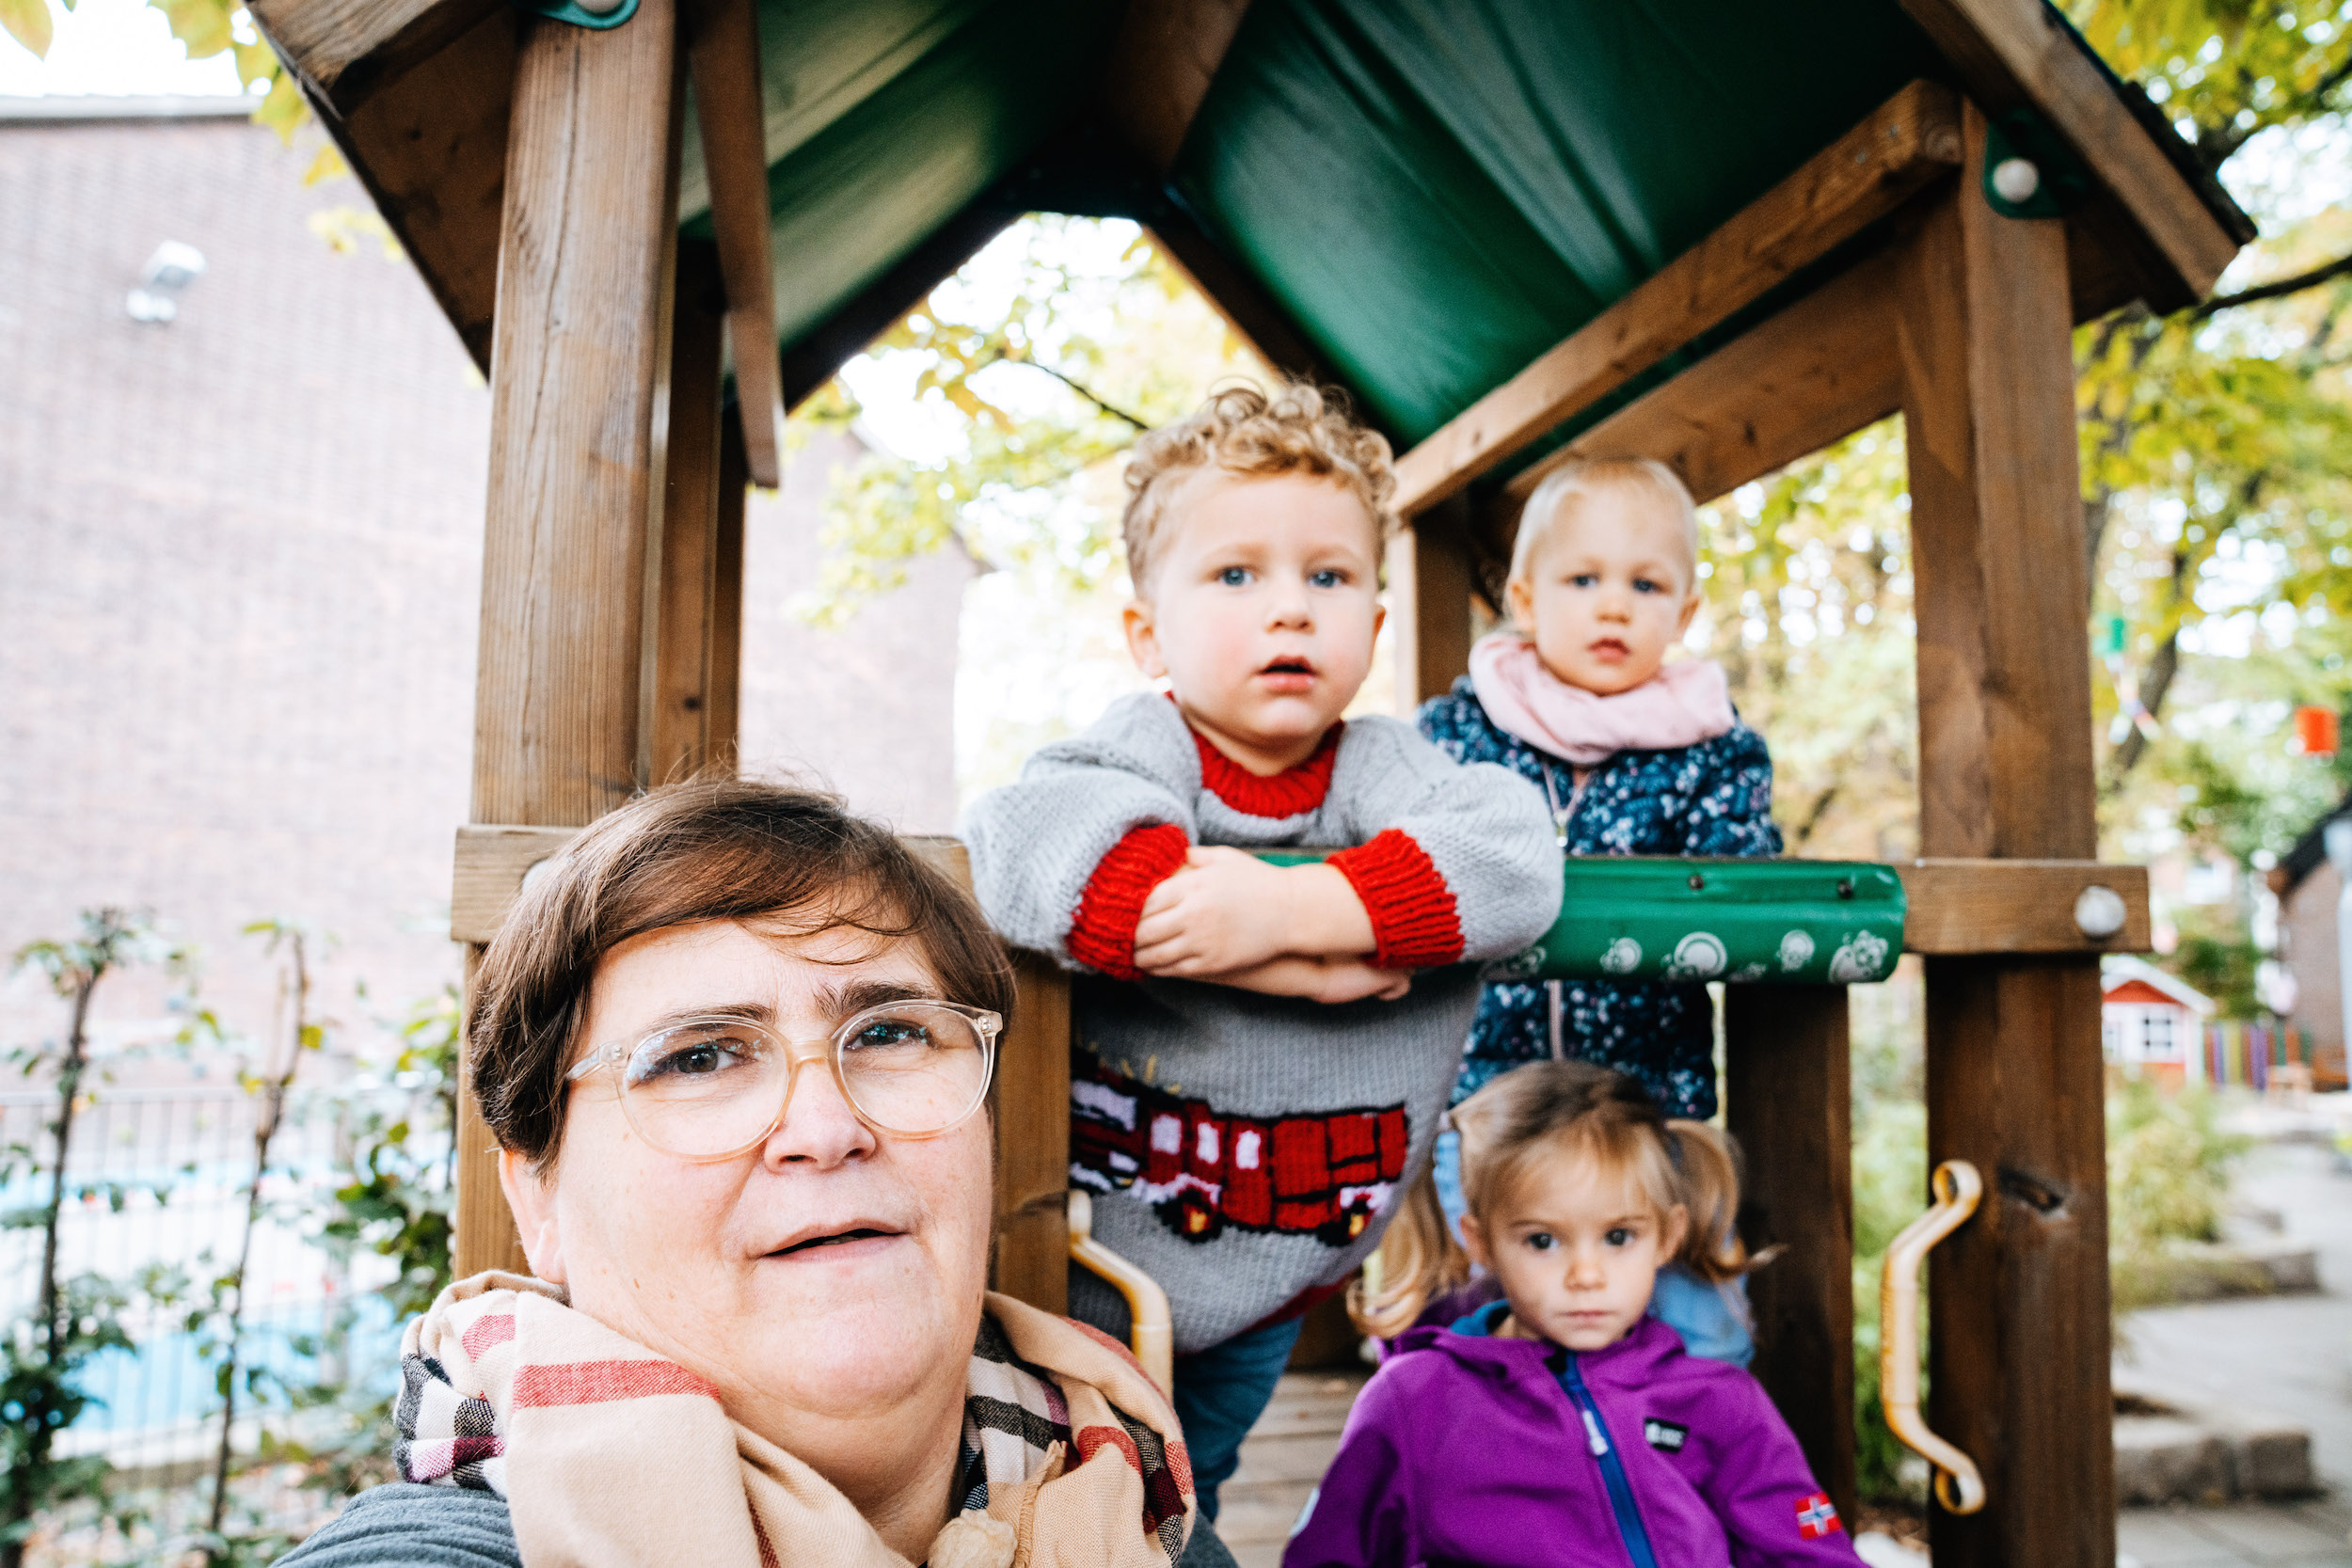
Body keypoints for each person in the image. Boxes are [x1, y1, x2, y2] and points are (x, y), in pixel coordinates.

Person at [274, 781, 1231, 1568]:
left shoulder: (1136, 1501)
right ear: (539, 1202)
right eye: (697, 1056)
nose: (827, 1128)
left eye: (891, 1032)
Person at [961, 383, 1561, 1520]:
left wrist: (1297, 904)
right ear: (1149, 632)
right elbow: (1028, 842)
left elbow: (1513, 858)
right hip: (1088, 1254)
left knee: (1197, 1484)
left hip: (1284, 1258)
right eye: (1235, 575)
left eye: (1328, 577)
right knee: (1062, 1490)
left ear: (1373, 627)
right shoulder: (1147, 744)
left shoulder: (1380, 764)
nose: (1289, 609)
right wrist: (1297, 958)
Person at [1287, 1061, 1857, 1568]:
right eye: (1542, 1240)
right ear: (1481, 1244)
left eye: (1618, 1236)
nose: (1586, 1275)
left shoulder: (1722, 1403)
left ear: (1667, 1237)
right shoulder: (1414, 1403)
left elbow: (1810, 1554)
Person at [1419, 456, 1781, 1120]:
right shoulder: (1458, 733)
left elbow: (1740, 887)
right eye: (1583, 579)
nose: (1614, 605)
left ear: (1683, 613)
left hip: (1646, 1099)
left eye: (1646, 584)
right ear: (1526, 600)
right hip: (1483, 1099)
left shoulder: (1712, 751)